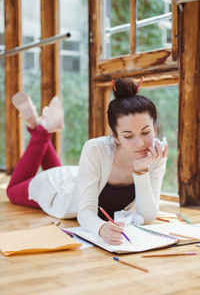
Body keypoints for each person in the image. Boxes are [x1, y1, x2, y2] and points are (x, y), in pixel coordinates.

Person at [7, 77, 168, 245]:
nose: (140, 143)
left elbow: (147, 218)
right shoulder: (95, 148)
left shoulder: (155, 155)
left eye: (145, 132)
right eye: (128, 136)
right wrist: (100, 228)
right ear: (116, 137)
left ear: (155, 129)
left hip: (76, 180)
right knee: (12, 191)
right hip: (56, 187)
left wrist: (140, 172)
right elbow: (85, 212)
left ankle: (38, 125)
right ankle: (42, 130)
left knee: (73, 187)